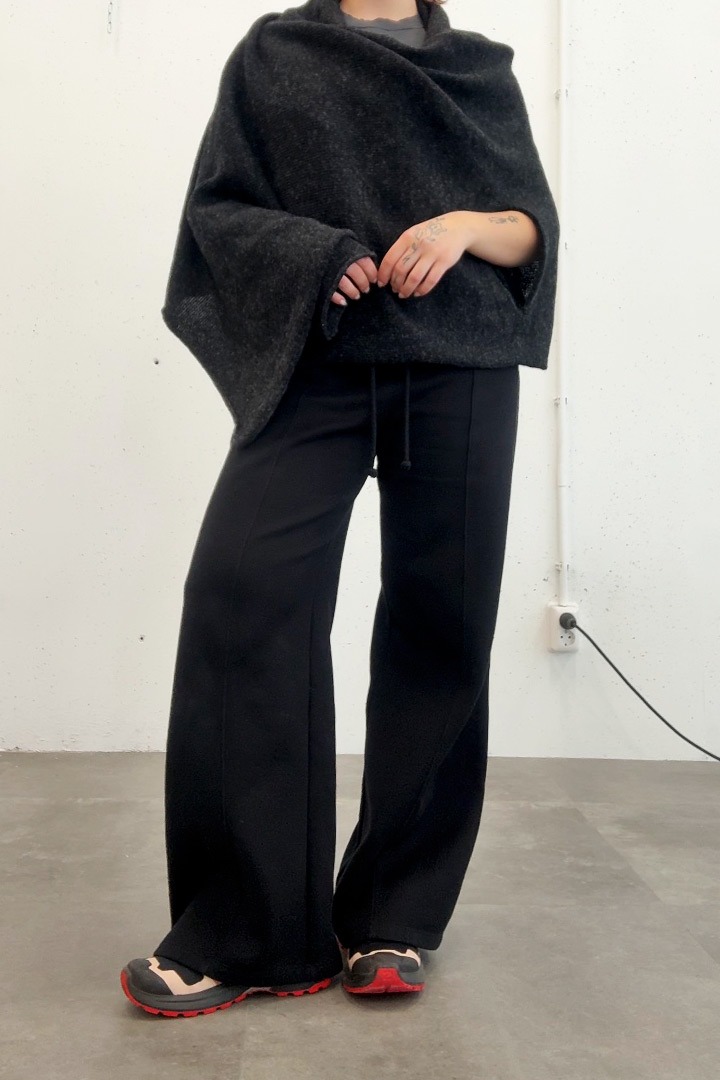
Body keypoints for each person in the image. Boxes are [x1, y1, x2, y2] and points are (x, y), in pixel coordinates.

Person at [120, 0, 559, 1017]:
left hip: (461, 361)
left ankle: (393, 915)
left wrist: (460, 227)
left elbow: (530, 225)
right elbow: (219, 211)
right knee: (243, 596)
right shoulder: (277, 52)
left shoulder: (481, 67)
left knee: (442, 622)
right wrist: (317, 253)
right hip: (319, 356)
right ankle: (246, 929)